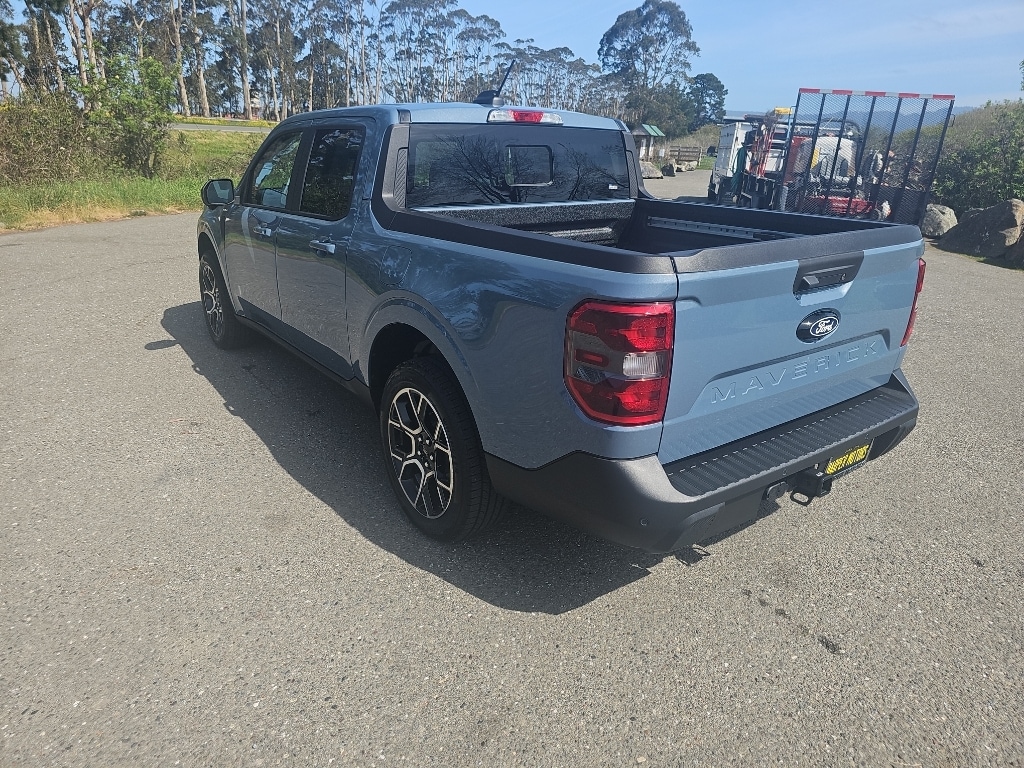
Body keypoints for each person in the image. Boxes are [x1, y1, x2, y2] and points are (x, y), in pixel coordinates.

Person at [731, 134, 754, 202]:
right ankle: (735, 193)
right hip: (741, 173)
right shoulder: (743, 151)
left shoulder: (743, 151)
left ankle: (736, 194)